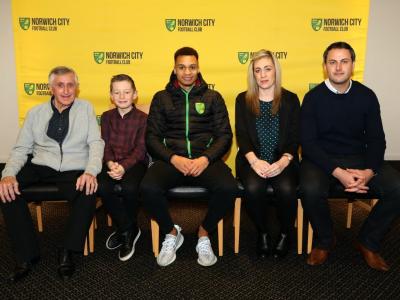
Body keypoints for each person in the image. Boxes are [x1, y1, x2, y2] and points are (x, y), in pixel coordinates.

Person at [300, 41, 400, 271]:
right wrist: (338, 173)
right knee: (310, 189)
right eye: (332, 62)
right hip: (322, 159)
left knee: (397, 187)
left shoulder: (367, 96)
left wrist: (369, 171)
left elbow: (377, 140)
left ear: (352, 65)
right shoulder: (313, 98)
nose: (338, 67)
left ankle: (368, 241)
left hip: (359, 158)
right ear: (325, 66)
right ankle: (325, 239)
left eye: (344, 61)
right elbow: (308, 144)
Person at [0, 66, 104, 281]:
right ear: (51, 88)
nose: (66, 90)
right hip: (41, 164)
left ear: (76, 87)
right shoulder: (35, 113)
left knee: (88, 191)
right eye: (60, 85)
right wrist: (8, 174)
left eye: (70, 85)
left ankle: (67, 250)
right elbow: (21, 149)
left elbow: (96, 144)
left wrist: (90, 171)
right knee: (7, 189)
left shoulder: (86, 109)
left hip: (73, 167)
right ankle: (27, 255)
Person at [140, 46, 237, 267]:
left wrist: (205, 159)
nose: (187, 72)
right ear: (174, 69)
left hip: (205, 160)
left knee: (229, 188)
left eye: (192, 67)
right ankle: (172, 232)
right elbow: (152, 138)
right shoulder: (161, 97)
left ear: (198, 68)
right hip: (171, 161)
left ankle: (203, 233)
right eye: (182, 67)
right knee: (147, 188)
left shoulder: (213, 97)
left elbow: (224, 136)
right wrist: (174, 158)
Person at [235, 50, 300, 259]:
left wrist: (283, 162)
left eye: (267, 69)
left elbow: (294, 136)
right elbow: (242, 136)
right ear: (253, 74)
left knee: (287, 188)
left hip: (283, 159)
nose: (263, 75)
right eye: (257, 70)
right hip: (252, 159)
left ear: (275, 71)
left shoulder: (290, 99)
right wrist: (254, 161)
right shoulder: (243, 99)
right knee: (253, 188)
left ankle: (284, 233)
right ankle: (262, 232)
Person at [97, 74, 147, 261]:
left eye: (127, 92)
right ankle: (128, 228)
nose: (122, 96)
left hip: (134, 164)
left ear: (135, 94)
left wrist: (123, 167)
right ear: (111, 95)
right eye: (117, 92)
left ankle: (124, 230)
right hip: (111, 162)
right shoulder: (107, 117)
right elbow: (105, 144)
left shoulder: (143, 119)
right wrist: (110, 163)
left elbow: (140, 149)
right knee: (102, 186)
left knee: (130, 187)